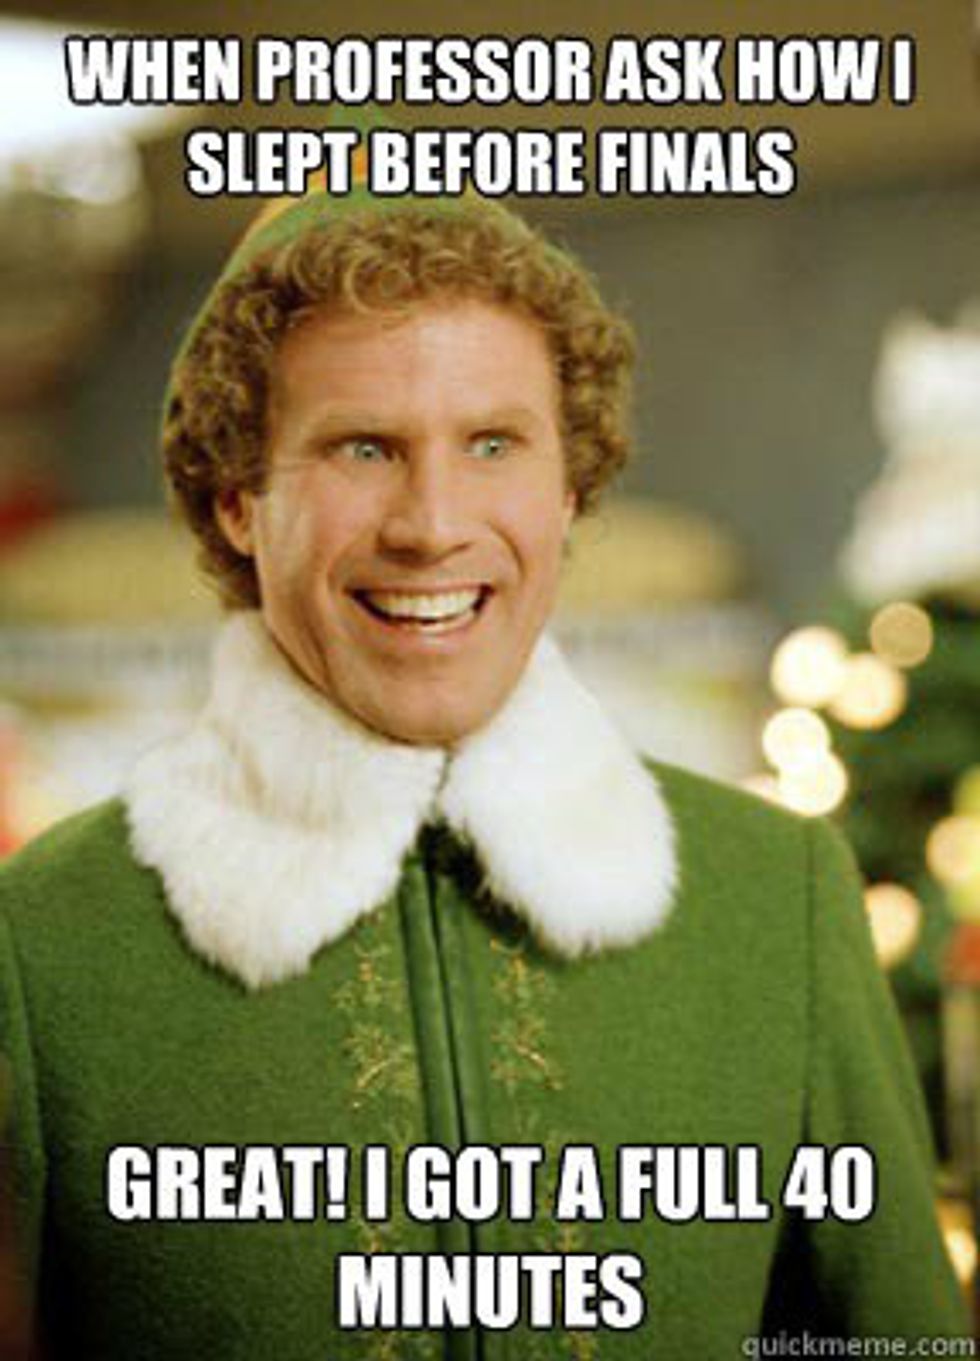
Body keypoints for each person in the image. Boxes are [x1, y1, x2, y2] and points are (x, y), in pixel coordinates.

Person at [0, 170, 971, 1359]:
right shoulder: (38, 947)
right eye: (362, 446)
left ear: (567, 490)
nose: (432, 522)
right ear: (238, 498)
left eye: (493, 443)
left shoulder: (781, 898)